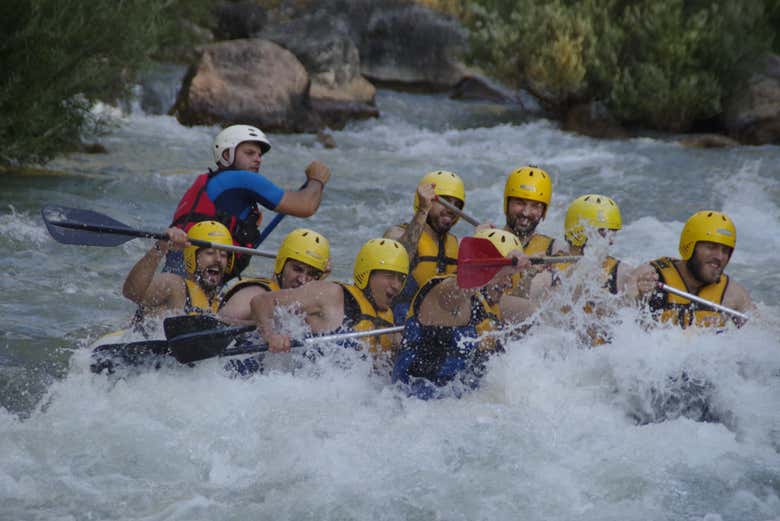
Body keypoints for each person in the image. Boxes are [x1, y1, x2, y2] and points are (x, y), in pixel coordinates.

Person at [166, 124, 331, 278]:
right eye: (249, 153)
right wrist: (317, 179)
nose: (258, 159)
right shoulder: (240, 179)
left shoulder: (213, 182)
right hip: (195, 269)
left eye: (259, 155)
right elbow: (306, 206)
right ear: (226, 155)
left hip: (184, 269)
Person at [392, 229, 534, 398]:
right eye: (503, 274)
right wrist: (499, 267)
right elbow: (462, 287)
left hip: (456, 403)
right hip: (411, 401)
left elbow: (537, 313)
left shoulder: (487, 306)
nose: (507, 282)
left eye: (510, 275)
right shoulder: (441, 292)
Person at [250, 238, 410, 368]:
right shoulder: (332, 294)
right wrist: (271, 336)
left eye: (401, 279)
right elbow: (262, 302)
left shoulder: (390, 322)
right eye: (389, 275)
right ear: (367, 274)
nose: (396, 285)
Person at [530, 194, 633, 346]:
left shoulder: (620, 270)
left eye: (613, 233)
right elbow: (532, 300)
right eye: (604, 233)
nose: (610, 241)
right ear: (579, 232)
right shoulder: (550, 268)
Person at [628, 210, 755, 328]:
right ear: (690, 246)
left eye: (725, 251)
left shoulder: (733, 294)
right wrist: (637, 292)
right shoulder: (651, 275)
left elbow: (762, 333)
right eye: (711, 247)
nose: (719, 256)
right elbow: (622, 313)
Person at [384, 170, 465, 322]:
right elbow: (401, 259)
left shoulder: (458, 245)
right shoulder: (396, 233)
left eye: (457, 205)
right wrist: (423, 209)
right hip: (402, 317)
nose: (451, 209)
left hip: (439, 319)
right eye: (445, 201)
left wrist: (482, 244)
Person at [122, 221, 234, 321]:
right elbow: (132, 293)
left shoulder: (224, 301)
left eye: (223, 255)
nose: (218, 259)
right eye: (210, 253)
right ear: (192, 257)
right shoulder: (175, 286)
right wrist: (161, 246)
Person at [218, 228, 331, 324]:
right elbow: (219, 326)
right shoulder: (254, 292)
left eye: (311, 274)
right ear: (280, 264)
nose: (302, 280)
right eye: (297, 269)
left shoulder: (308, 301)